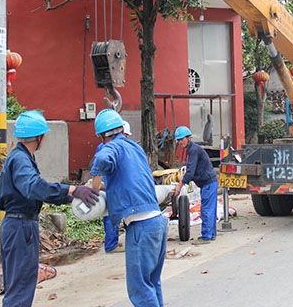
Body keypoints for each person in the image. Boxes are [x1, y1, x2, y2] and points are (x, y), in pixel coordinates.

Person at [0, 111, 98, 307]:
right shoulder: (20, 160)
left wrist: (69, 198)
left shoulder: (21, 157)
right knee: (20, 288)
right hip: (20, 227)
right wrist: (73, 189)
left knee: (20, 285)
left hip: (18, 224)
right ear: (38, 137)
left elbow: (35, 191)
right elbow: (34, 187)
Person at [90, 109, 168, 307]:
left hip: (140, 226)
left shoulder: (112, 147)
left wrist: (93, 187)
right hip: (158, 222)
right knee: (151, 283)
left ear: (102, 136)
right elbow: (129, 180)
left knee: (139, 289)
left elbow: (101, 160)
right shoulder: (135, 148)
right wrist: (104, 185)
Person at [172, 126, 218, 245]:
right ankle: (211, 234)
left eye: (182, 139)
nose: (180, 142)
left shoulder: (193, 150)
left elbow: (190, 171)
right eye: (178, 140)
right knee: (210, 209)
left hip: (208, 183)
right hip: (209, 182)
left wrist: (180, 185)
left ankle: (206, 236)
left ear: (188, 138)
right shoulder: (192, 149)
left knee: (206, 210)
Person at [100, 120, 132, 253]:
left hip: (113, 185)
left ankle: (113, 243)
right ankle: (111, 245)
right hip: (110, 186)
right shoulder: (109, 148)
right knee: (111, 216)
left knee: (117, 214)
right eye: (126, 135)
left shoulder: (111, 146)